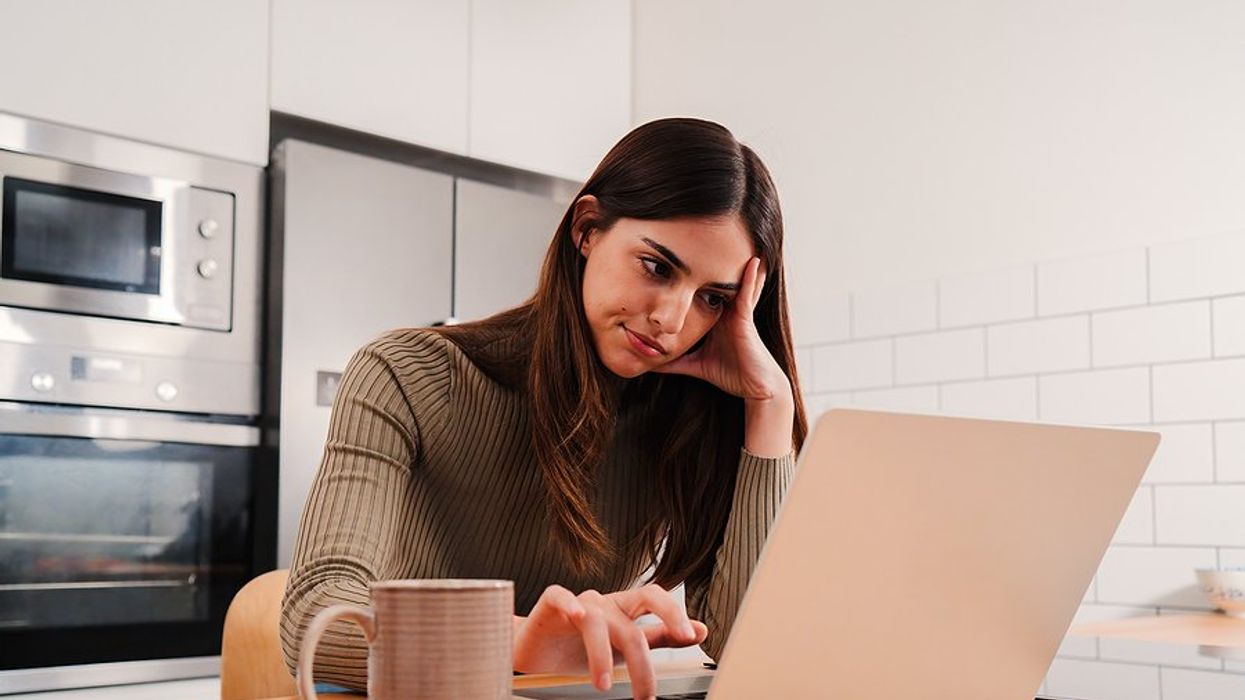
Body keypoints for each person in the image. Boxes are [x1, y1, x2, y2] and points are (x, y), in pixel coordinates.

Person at [279, 117, 808, 700]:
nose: (674, 320)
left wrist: (770, 408)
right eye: (657, 267)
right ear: (587, 229)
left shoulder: (687, 416)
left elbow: (748, 646)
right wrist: (518, 642)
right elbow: (314, 619)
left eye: (713, 299)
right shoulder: (403, 373)